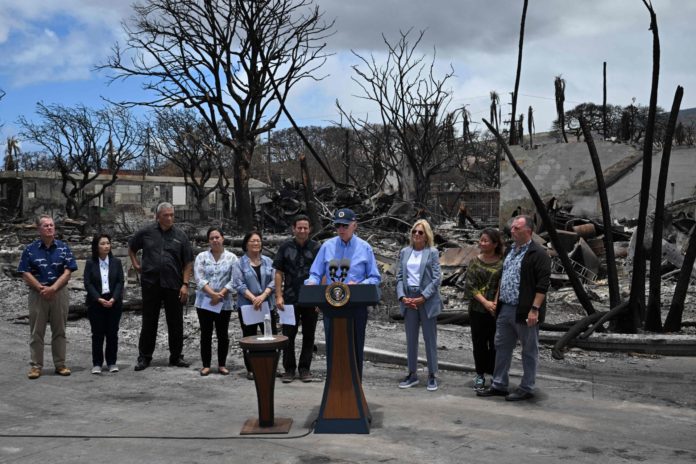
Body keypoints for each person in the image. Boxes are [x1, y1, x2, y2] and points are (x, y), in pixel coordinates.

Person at [477, 215, 550, 401]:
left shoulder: (538, 254)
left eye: (517, 228)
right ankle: (499, 384)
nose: (512, 231)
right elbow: (504, 278)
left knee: (528, 350)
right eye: (513, 228)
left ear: (528, 231)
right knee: (501, 346)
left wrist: (535, 309)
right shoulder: (511, 251)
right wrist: (497, 301)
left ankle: (527, 387)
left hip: (525, 311)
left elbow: (543, 285)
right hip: (506, 308)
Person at [305, 208, 381, 379]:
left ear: (354, 225)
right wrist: (312, 283)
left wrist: (359, 285)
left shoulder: (364, 248)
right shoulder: (327, 246)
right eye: (338, 225)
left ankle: (355, 388)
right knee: (334, 348)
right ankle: (334, 389)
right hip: (331, 307)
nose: (341, 229)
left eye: (345, 226)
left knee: (354, 348)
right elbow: (315, 273)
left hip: (356, 308)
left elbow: (375, 278)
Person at [129, 202, 194, 371]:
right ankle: (144, 357)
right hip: (151, 284)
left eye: (172, 215)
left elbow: (188, 262)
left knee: (175, 322)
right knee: (149, 321)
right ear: (158, 216)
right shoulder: (146, 233)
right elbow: (132, 247)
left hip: (174, 285)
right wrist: (135, 264)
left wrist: (185, 284)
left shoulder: (181, 236)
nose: (170, 218)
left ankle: (176, 356)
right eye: (166, 215)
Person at [18, 215, 78, 379]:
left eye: (52, 225)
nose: (50, 228)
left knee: (60, 330)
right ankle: (36, 366)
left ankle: (60, 364)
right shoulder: (30, 249)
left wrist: (54, 288)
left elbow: (68, 271)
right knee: (37, 331)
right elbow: (24, 271)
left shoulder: (63, 248)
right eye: (46, 225)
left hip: (59, 293)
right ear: (39, 229)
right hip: (38, 294)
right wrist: (40, 288)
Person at [396, 219, 443, 392]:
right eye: (414, 231)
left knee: (430, 338)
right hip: (409, 298)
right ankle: (412, 373)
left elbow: (437, 278)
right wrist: (402, 297)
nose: (416, 234)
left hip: (427, 299)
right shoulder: (405, 252)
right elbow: (399, 277)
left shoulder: (432, 252)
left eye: (420, 232)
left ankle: (432, 375)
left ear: (426, 235)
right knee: (411, 339)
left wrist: (424, 296)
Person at [274, 214, 321, 383]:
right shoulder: (285, 247)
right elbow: (278, 272)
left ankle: (304, 369)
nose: (302, 230)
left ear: (310, 229)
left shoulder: (317, 248)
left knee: (309, 336)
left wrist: (319, 299)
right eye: (299, 227)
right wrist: (278, 296)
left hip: (310, 300)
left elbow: (322, 274)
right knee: (288, 336)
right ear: (293, 229)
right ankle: (289, 369)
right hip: (289, 299)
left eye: (305, 228)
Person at [232, 230, 278, 380]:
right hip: (248, 305)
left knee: (270, 336)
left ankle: (271, 366)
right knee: (249, 337)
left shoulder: (268, 261)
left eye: (258, 241)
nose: (256, 243)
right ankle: (251, 369)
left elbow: (274, 280)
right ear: (246, 244)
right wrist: (253, 298)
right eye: (252, 241)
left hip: (267, 305)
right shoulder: (239, 263)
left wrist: (264, 295)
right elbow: (238, 284)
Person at [193, 227, 238, 376]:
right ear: (208, 241)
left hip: (224, 302)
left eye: (217, 237)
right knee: (205, 334)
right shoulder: (201, 257)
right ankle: (206, 365)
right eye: (212, 238)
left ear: (223, 238)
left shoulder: (232, 258)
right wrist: (212, 294)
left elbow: (235, 278)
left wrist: (222, 293)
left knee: (222, 334)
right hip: (205, 301)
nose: (215, 240)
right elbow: (199, 278)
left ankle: (222, 364)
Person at [464, 228, 504, 390]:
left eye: (486, 240)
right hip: (477, 310)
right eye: (481, 240)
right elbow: (470, 287)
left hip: (496, 311)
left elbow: (503, 284)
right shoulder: (474, 262)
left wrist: (494, 303)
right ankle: (480, 374)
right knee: (479, 343)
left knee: (495, 343)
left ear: (495, 244)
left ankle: (495, 374)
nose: (482, 243)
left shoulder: (502, 262)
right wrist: (486, 303)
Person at [83, 233, 125, 374]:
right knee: (97, 334)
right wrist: (98, 298)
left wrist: (114, 298)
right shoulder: (90, 263)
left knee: (112, 333)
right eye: (102, 243)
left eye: (108, 243)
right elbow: (87, 283)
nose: (106, 246)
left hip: (113, 301)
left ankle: (112, 362)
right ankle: (97, 363)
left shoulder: (116, 262)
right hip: (96, 302)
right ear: (96, 246)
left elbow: (120, 282)